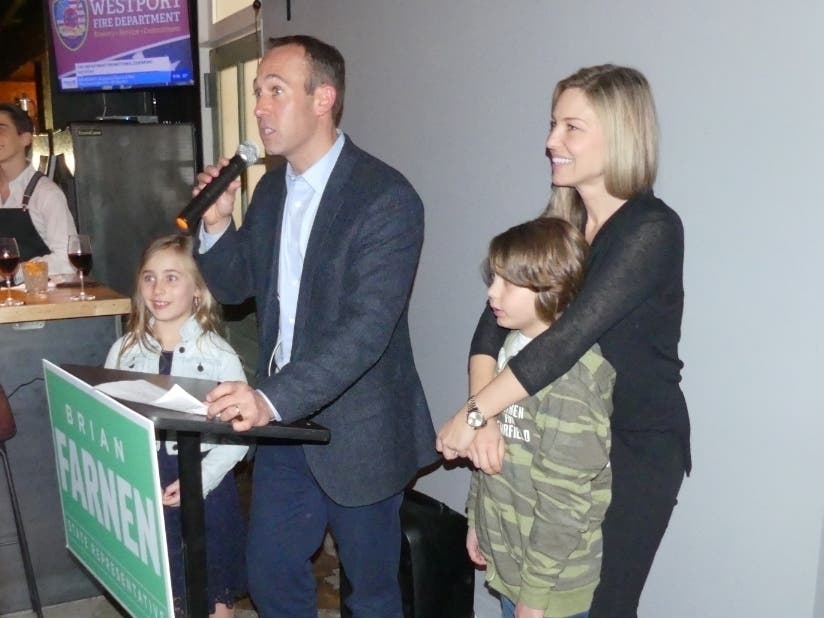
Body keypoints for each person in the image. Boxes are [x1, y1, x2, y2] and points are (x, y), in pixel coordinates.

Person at [192, 35, 437, 617]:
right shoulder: (271, 190)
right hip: (285, 425)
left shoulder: (386, 197)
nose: (259, 107)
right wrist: (217, 224)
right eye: (259, 92)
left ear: (323, 99)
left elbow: (365, 332)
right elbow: (236, 287)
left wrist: (268, 399)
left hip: (360, 428)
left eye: (275, 91)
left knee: (371, 595)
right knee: (270, 577)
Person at [437, 64, 690, 618]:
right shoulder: (562, 227)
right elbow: (490, 326)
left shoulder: (651, 229)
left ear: (620, 135)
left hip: (630, 447)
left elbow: (567, 342)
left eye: (571, 127)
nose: (552, 141)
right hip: (549, 435)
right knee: (524, 587)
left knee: (596, 606)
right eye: (553, 125)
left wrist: (475, 414)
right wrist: (487, 416)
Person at [466, 217, 615, 618]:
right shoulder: (509, 351)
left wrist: (534, 596)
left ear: (552, 288)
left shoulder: (572, 384)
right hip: (510, 560)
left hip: (551, 587)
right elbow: (488, 450)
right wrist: (477, 520)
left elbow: (564, 505)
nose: (491, 292)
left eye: (508, 283)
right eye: (493, 278)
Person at [105, 234, 247, 618]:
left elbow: (239, 434)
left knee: (212, 591)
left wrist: (201, 478)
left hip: (203, 483)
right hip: (145, 481)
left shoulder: (219, 356)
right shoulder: (123, 352)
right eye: (149, 277)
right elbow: (109, 421)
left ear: (198, 290)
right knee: (159, 591)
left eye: (172, 277)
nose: (158, 289)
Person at [0, 102, 76, 274]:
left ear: (25, 138)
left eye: (1, 129)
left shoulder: (46, 193)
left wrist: (15, 272)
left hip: (39, 290)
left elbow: (67, 260)